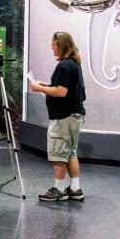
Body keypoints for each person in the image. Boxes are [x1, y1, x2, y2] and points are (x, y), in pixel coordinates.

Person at [29, 31, 86, 201]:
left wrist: (38, 88)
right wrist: (46, 85)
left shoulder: (64, 66)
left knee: (58, 153)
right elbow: (66, 88)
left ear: (60, 45)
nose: (51, 48)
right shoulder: (73, 64)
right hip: (74, 116)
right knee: (70, 152)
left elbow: (61, 92)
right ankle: (75, 189)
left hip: (64, 118)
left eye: (53, 45)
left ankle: (59, 190)